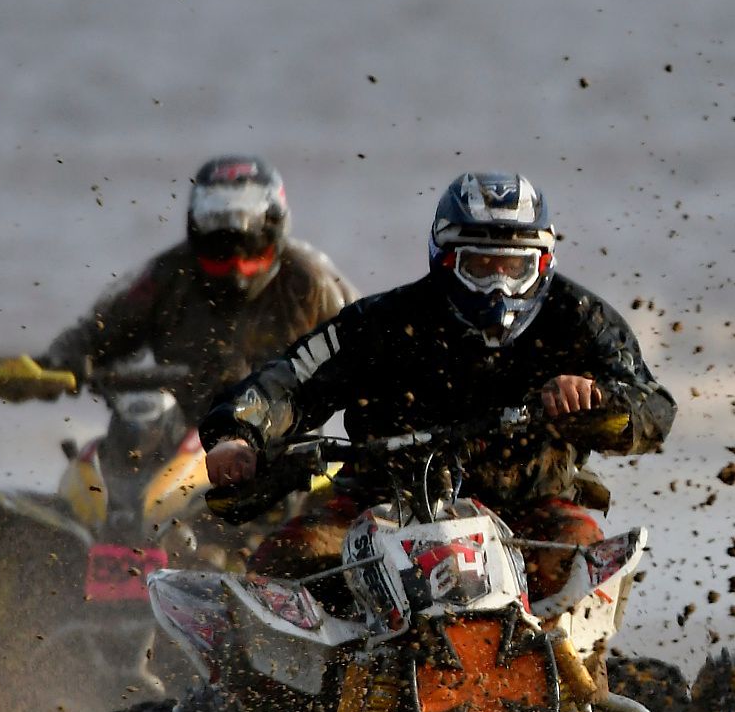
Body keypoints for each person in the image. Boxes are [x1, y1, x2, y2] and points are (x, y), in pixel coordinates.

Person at [201, 172, 675, 598]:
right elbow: (292, 379)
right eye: (481, 267)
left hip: (531, 508)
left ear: (543, 263)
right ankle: (262, 696)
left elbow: (652, 405)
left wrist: (597, 401)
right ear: (445, 259)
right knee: (284, 565)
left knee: (585, 565)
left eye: (515, 268)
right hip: (383, 506)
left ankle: (584, 691)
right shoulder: (383, 322)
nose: (498, 288)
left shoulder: (579, 320)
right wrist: (238, 435)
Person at [19, 156, 357, 421]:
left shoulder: (311, 280)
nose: (236, 259)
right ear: (196, 228)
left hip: (280, 440)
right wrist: (62, 360)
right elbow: (96, 333)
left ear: (275, 227)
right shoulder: (167, 275)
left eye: (247, 239)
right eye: (220, 240)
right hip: (173, 436)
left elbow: (369, 337)